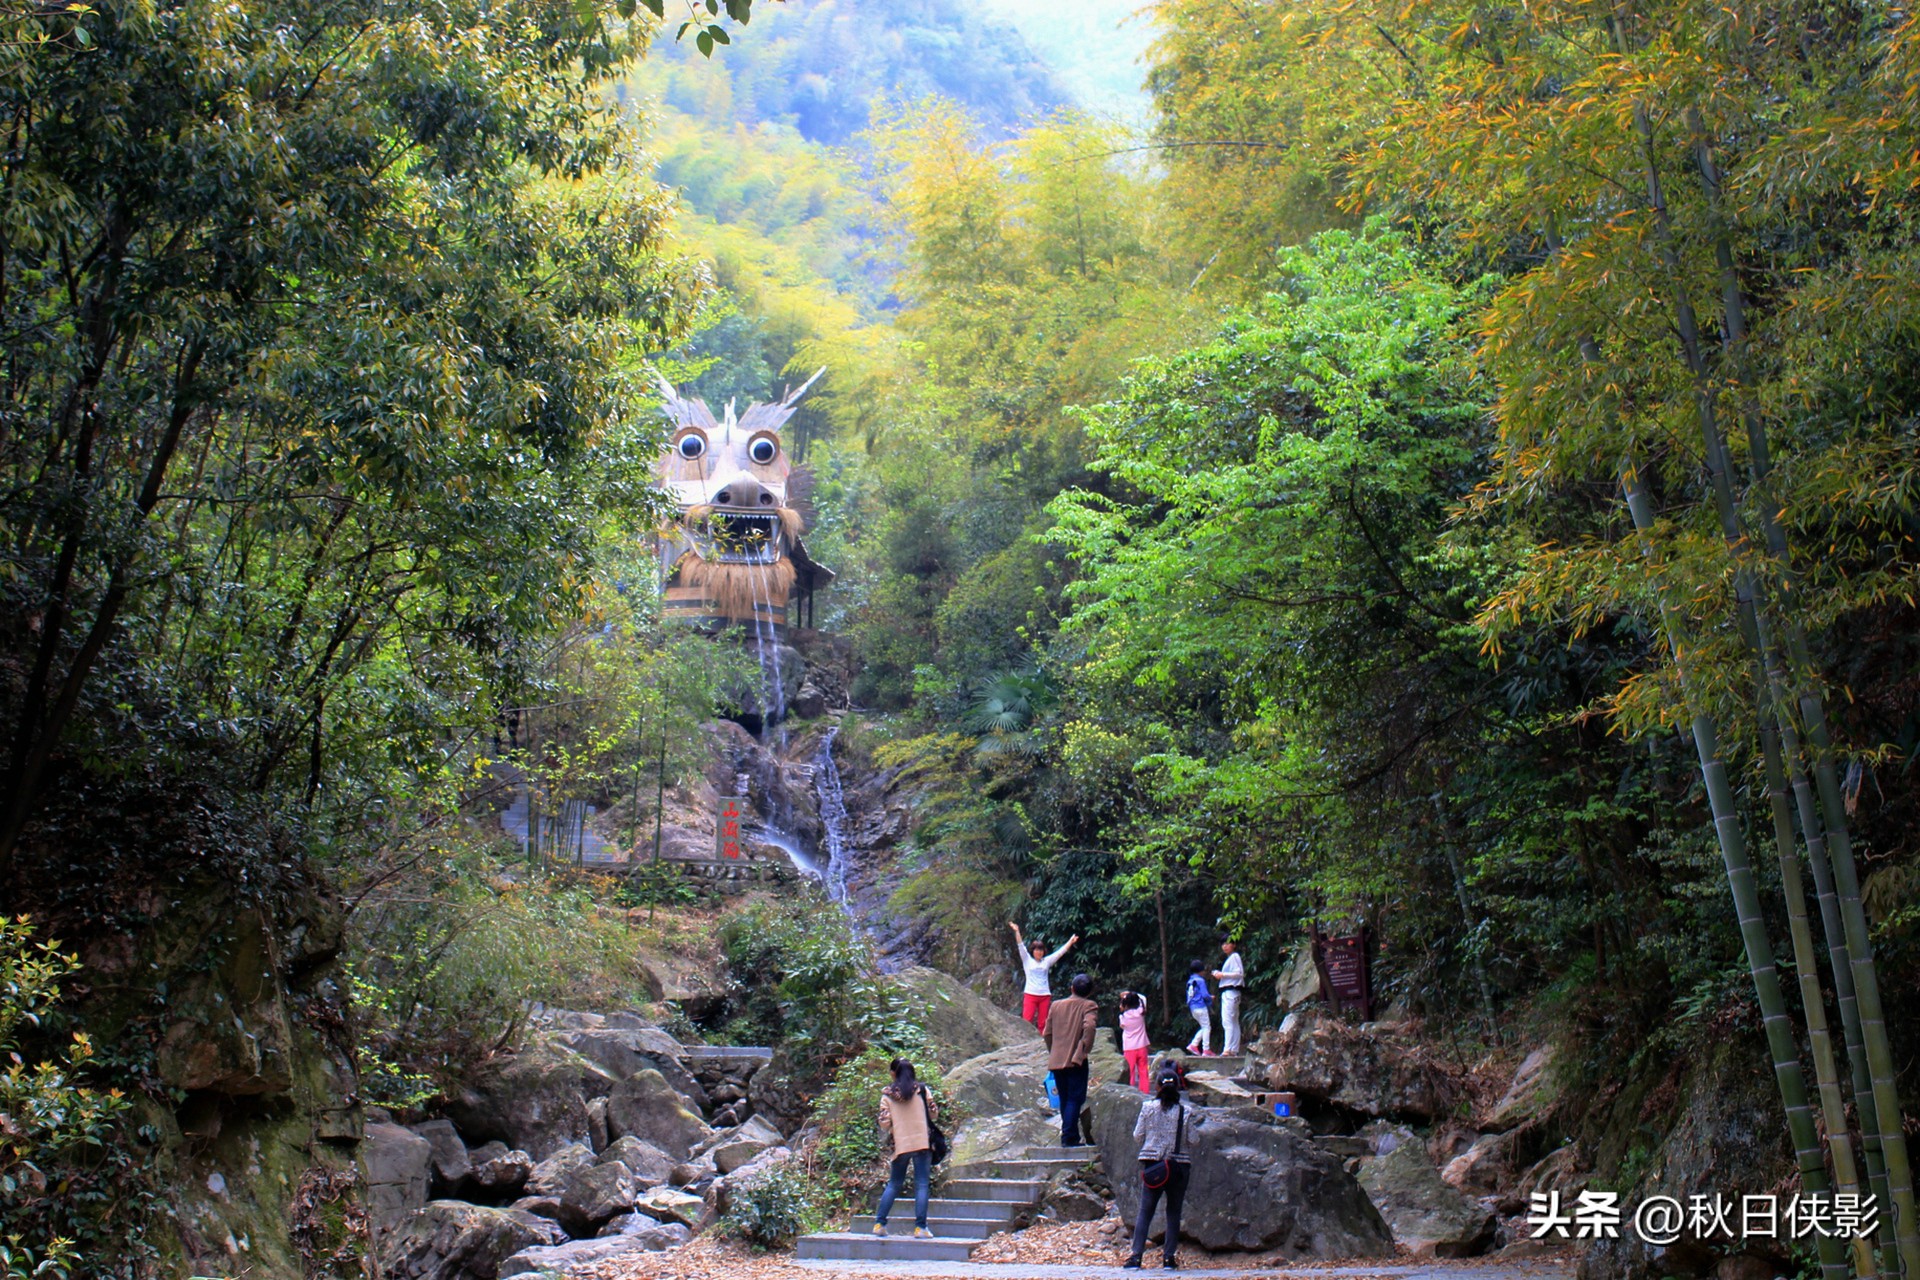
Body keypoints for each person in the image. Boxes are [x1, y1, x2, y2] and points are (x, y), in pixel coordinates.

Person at [1125, 1060, 1203, 1270]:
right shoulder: (1185, 1112)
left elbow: (1137, 1136)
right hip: (1178, 1167)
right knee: (1173, 1212)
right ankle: (1168, 1258)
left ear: (1157, 1087)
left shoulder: (1147, 1108)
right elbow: (1194, 1140)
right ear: (1178, 1086)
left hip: (1153, 1166)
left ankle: (1136, 1257)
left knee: (1145, 1211)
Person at [874, 1058, 937, 1239]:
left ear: (893, 1073)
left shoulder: (887, 1096)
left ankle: (880, 1223)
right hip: (922, 1143)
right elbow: (934, 1114)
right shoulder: (923, 1091)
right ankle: (920, 1228)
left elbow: (884, 1124)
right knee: (922, 1184)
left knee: (894, 1183)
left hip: (901, 1144)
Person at [1043, 972, 1099, 1147]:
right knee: (1075, 1099)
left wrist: (1054, 1051)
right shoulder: (1089, 1005)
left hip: (1057, 1060)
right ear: (1089, 992)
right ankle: (1068, 1137)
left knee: (1065, 1099)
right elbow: (1089, 1026)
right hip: (1076, 1061)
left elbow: (1047, 1033)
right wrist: (1082, 1051)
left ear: (1072, 988)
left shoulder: (1056, 1005)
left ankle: (1071, 1136)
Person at [1009, 921, 1077, 1033]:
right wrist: (1017, 931)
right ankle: (1025, 1043)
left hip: (1044, 995)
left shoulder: (1046, 961)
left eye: (1040, 950)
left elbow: (1060, 953)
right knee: (1026, 1021)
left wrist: (1070, 941)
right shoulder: (1027, 960)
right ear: (1033, 951)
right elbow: (1020, 946)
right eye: (1036, 949)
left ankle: (1043, 1044)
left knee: (1043, 1023)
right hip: (1030, 994)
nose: (1038, 952)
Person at [1211, 937, 1245, 1057]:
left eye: (1227, 943)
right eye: (1223, 944)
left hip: (1231, 991)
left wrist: (1222, 975)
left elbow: (1239, 973)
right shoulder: (1231, 958)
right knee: (1234, 1020)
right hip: (1231, 991)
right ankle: (1233, 1049)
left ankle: (1227, 1049)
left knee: (1227, 1020)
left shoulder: (1235, 957)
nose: (1224, 946)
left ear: (1234, 944)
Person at [1118, 990, 1151, 1092]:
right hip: (1142, 1046)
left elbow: (1122, 1026)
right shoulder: (1141, 1012)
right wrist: (1131, 993)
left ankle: (1130, 1092)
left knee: (1130, 1072)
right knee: (1143, 1071)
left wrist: (1124, 999)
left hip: (1129, 1048)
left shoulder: (1123, 1017)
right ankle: (1145, 1092)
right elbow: (1143, 998)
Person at [1183, 959, 1213, 1056]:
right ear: (1201, 971)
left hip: (1193, 1007)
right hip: (1200, 1006)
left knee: (1204, 1027)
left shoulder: (1190, 981)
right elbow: (1204, 995)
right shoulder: (1200, 981)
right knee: (1207, 1027)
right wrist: (1210, 998)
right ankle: (1206, 1049)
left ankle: (1194, 1044)